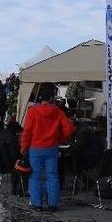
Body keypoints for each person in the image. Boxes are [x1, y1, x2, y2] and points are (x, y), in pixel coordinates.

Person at [20, 82, 74, 212]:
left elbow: (27, 131)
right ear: (52, 98)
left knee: (35, 176)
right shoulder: (58, 112)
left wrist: (24, 147)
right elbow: (69, 129)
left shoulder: (33, 111)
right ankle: (52, 205)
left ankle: (36, 204)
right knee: (52, 176)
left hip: (35, 148)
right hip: (52, 148)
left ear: (40, 97)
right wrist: (59, 139)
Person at [0, 120, 25, 195]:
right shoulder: (12, 138)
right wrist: (22, 156)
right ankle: (19, 190)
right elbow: (14, 156)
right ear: (15, 131)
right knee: (24, 164)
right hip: (5, 165)